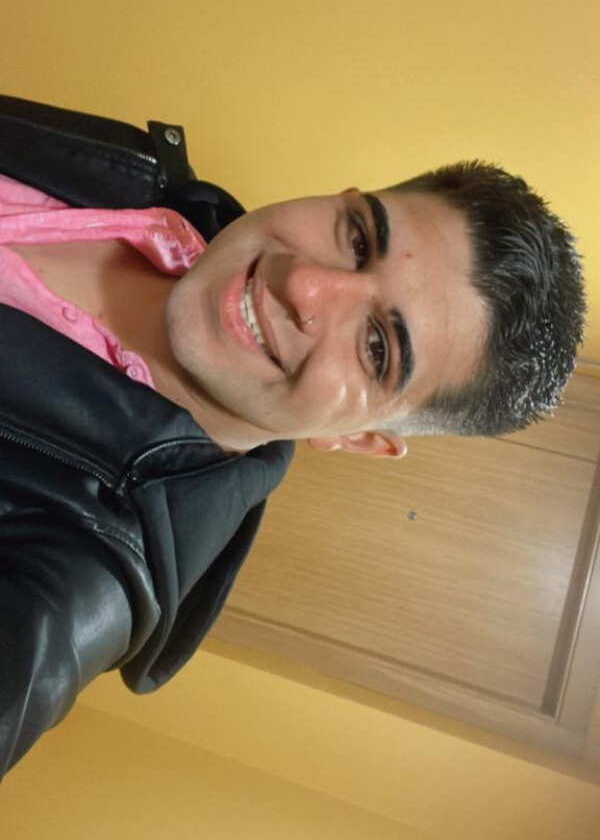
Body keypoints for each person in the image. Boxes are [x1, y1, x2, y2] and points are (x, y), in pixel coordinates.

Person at [0, 96, 586, 777]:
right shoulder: (155, 182)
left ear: (361, 438)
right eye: (359, 240)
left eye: (377, 347)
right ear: (347, 196)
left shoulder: (77, 585)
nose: (304, 284)